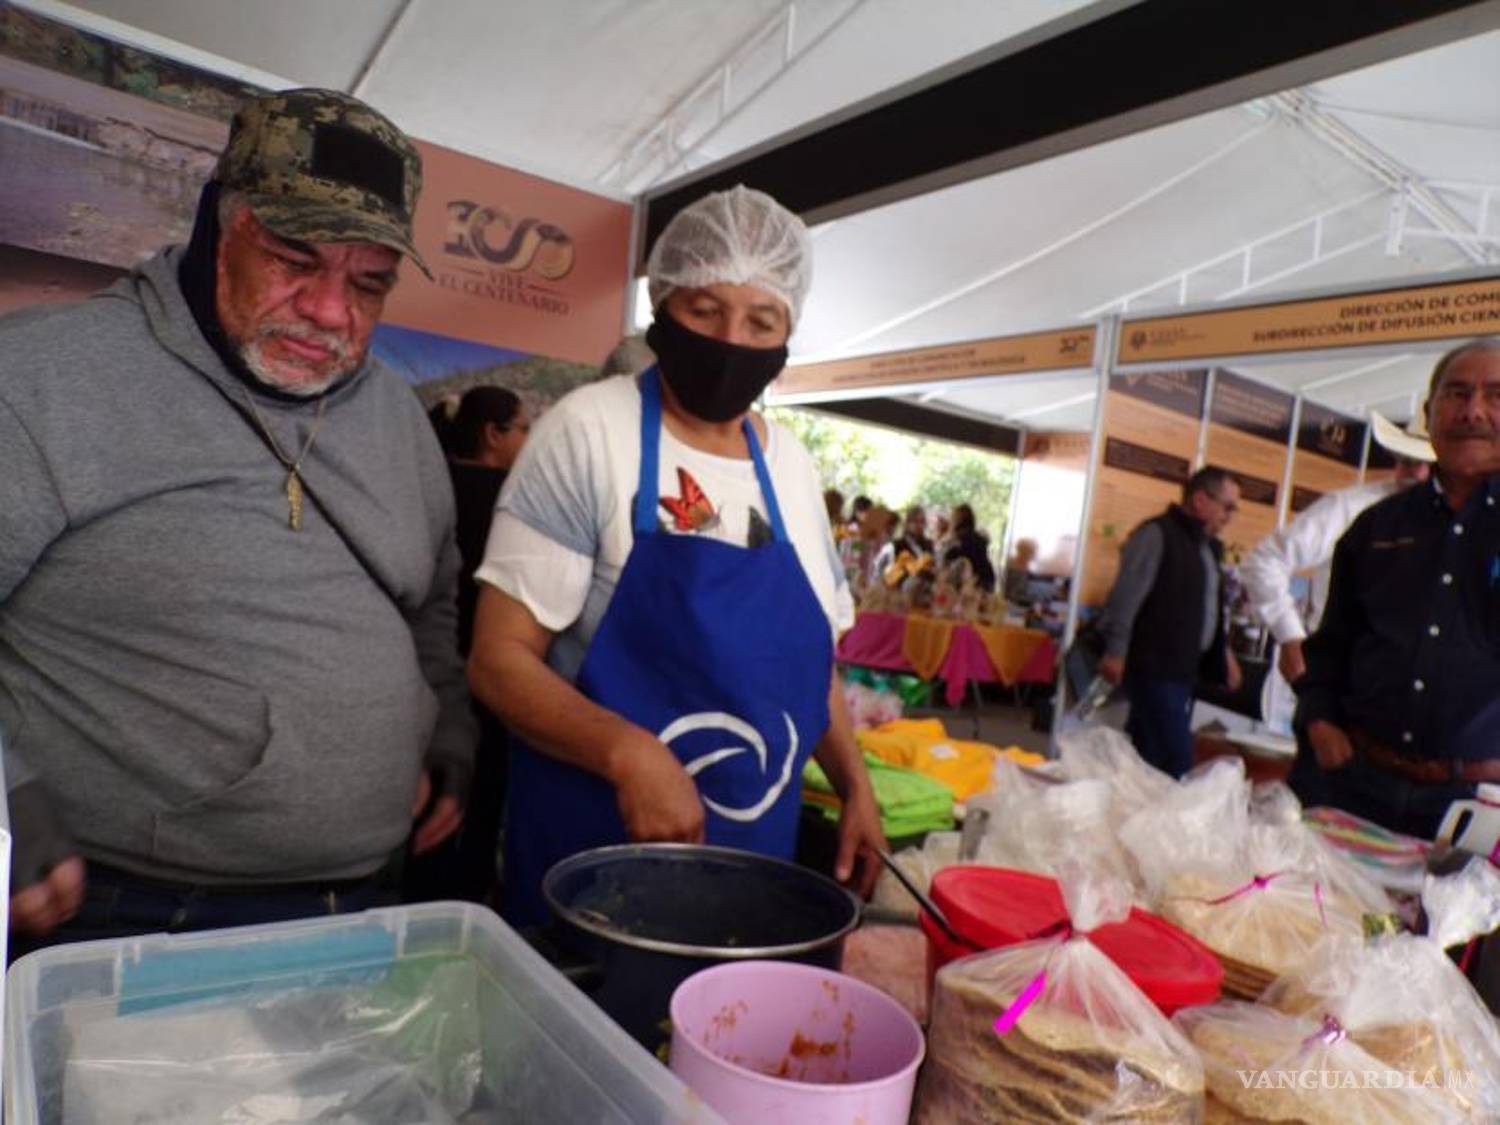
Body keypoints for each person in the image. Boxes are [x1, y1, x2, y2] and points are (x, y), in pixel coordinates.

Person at [0, 89, 474, 950]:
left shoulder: (399, 419)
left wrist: (445, 719)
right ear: (222, 222)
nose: (332, 312)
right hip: (126, 916)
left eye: (369, 282)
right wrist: (5, 798)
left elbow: (429, 600)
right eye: (294, 255)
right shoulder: (40, 380)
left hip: (367, 900)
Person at [467, 184, 885, 926]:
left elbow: (807, 663)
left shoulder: (790, 465)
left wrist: (854, 783)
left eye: (761, 320)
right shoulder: (591, 431)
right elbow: (498, 661)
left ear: (787, 332)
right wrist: (626, 751)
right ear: (664, 305)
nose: (732, 339)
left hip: (751, 876)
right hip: (594, 871)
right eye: (705, 310)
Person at [1296, 339, 1500, 839]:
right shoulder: (1376, 527)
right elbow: (1332, 644)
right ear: (1429, 414)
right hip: (1354, 783)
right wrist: (1319, 720)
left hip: (1476, 806)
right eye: (1456, 393)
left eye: (1495, 395)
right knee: (1321, 914)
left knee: (1455, 921)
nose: (1472, 411)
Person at [405, 384, 529, 904]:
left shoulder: (425, 488)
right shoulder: (511, 503)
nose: (529, 440)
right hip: (484, 683)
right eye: (523, 428)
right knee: (475, 804)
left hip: (421, 679)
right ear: (492, 434)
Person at [1240, 415, 1434, 686]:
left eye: (1431, 466)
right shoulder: (1352, 507)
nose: (1419, 473)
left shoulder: (1466, 527)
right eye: (1408, 461)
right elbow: (1265, 561)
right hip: (1342, 676)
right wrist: (1290, 635)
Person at [1096, 468, 1244, 777]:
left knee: (1145, 759)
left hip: (1183, 671)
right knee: (1174, 761)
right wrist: (1116, 651)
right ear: (1201, 500)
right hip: (1154, 668)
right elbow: (1126, 597)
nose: (1230, 516)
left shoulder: (1206, 547)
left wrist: (1224, 654)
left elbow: (1207, 606)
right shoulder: (1156, 534)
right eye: (1227, 506)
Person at [942, 503, 997, 592]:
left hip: (975, 585)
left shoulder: (961, 540)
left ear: (956, 520)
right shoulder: (977, 538)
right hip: (988, 580)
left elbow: (947, 559)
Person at [1003, 537, 1040, 605]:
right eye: (1031, 552)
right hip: (1008, 601)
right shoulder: (1010, 564)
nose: (1033, 555)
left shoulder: (1028, 569)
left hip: (1019, 601)